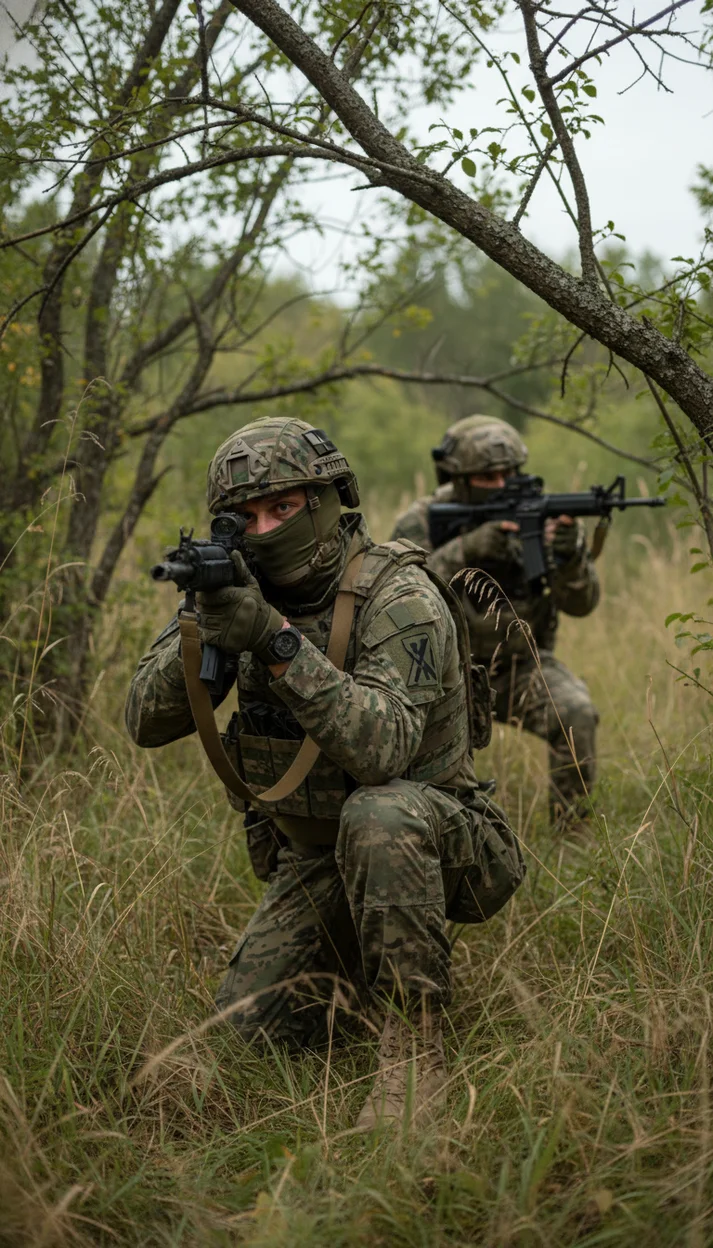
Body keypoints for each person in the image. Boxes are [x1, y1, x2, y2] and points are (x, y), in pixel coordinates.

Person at [126, 416, 524, 1131]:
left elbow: (382, 754)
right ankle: (355, 971)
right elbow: (145, 724)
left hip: (441, 841)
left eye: (282, 508)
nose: (265, 528)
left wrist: (271, 641)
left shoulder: (399, 596)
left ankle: (415, 1052)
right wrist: (203, 622)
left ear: (328, 500)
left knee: (379, 811)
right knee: (244, 1040)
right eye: (245, 516)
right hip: (315, 857)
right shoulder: (236, 585)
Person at [391, 415, 600, 827]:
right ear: (460, 478)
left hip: (519, 670)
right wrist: (465, 549)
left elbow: (582, 604)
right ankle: (434, 832)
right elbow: (398, 596)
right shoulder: (421, 520)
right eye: (489, 476)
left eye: (510, 473)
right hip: (442, 675)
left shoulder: (540, 515)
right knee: (406, 747)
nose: (503, 484)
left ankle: (573, 838)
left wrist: (570, 553)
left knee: (576, 713)